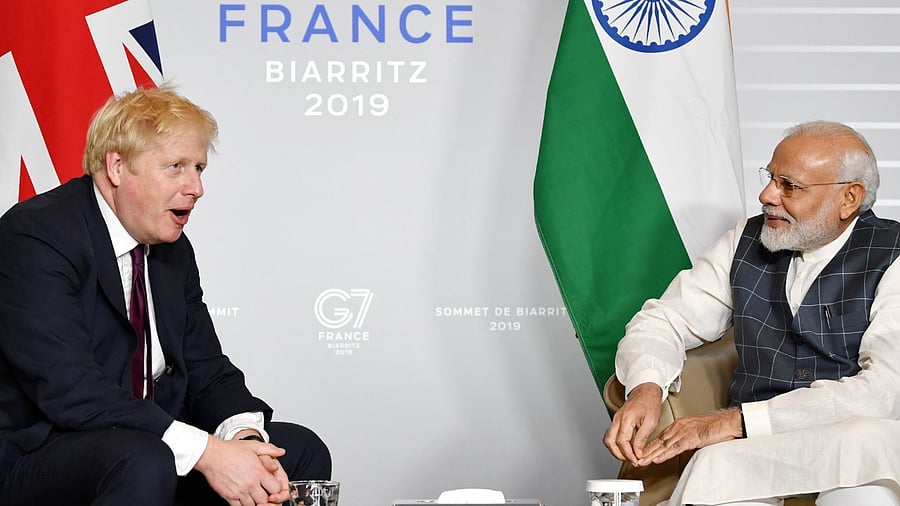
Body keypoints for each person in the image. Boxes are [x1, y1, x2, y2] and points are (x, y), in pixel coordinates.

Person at [0, 86, 331, 505]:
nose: (196, 187)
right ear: (117, 167)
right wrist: (209, 453)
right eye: (176, 166)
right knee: (144, 458)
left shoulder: (172, 248)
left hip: (146, 444)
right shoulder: (37, 236)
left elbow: (206, 368)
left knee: (294, 451)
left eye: (199, 168)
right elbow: (71, 389)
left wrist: (242, 438)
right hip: (41, 452)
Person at [604, 121, 900, 505]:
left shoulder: (893, 255)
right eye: (771, 178)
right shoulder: (745, 239)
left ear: (849, 199)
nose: (767, 196)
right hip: (753, 451)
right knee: (716, 470)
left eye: (789, 186)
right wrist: (646, 385)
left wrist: (735, 422)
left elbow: (883, 392)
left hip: (849, 443)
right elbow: (665, 320)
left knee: (869, 457)